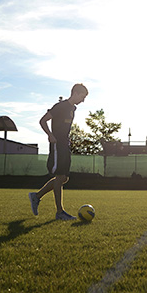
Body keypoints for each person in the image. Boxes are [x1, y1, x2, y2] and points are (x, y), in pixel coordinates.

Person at [29, 83, 89, 220]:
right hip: (57, 145)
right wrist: (50, 135)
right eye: (82, 97)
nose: (83, 100)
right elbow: (43, 121)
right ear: (75, 93)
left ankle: (36, 196)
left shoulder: (73, 109)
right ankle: (60, 212)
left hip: (65, 145)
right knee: (59, 176)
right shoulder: (60, 106)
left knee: (64, 178)